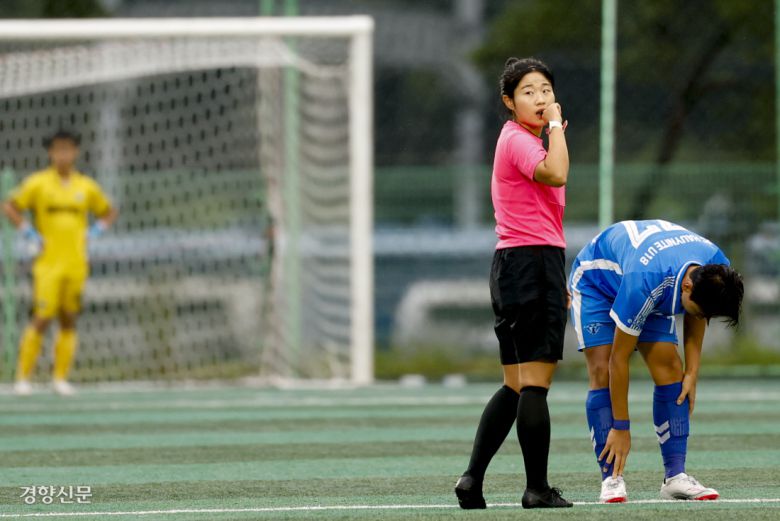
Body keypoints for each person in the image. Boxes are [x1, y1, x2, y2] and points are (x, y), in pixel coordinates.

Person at [455, 57, 572, 509]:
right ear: (509, 101)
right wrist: (558, 125)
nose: (540, 98)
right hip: (530, 262)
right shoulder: (521, 140)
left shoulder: (523, 140)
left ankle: (472, 480)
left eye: (546, 89)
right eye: (528, 91)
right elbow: (556, 174)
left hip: (516, 264)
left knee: (515, 384)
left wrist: (553, 275)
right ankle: (536, 489)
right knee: (536, 385)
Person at [569, 219, 743, 503]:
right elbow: (619, 359)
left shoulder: (715, 267)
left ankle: (675, 477)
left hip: (653, 279)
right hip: (598, 282)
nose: (702, 318)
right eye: (699, 311)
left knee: (672, 370)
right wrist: (621, 427)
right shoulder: (646, 281)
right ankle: (611, 477)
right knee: (601, 370)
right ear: (686, 286)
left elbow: (698, 314)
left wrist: (692, 372)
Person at [3, 130, 118, 396]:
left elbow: (109, 210)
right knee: (42, 317)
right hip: (47, 263)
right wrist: (28, 232)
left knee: (69, 319)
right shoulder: (38, 183)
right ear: (50, 153)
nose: (63, 155)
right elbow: (10, 206)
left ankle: (60, 379)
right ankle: (23, 378)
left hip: (76, 262)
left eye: (68, 149)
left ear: (76, 152)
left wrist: (96, 231)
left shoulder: (86, 186)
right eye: (58, 150)